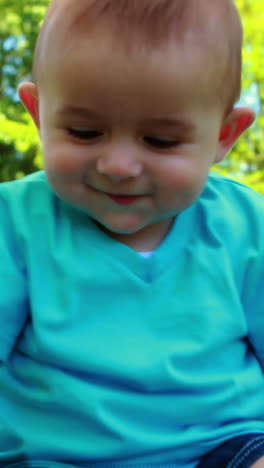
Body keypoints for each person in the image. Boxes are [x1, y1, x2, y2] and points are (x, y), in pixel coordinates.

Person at [0, 0, 264, 467]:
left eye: (160, 140)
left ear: (224, 134)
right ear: (39, 115)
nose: (118, 166)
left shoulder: (246, 227)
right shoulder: (16, 226)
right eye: (84, 132)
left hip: (223, 449)